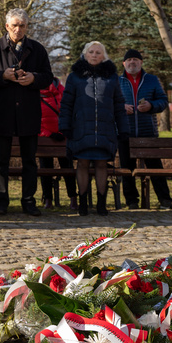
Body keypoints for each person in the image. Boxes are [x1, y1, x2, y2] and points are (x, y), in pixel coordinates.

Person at [0, 8, 53, 216]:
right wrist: (3, 76)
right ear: (6, 26)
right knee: (1, 160)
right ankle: (1, 202)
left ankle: (28, 201)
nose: (18, 29)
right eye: (14, 25)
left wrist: (33, 79)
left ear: (27, 27)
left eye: (22, 26)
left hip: (29, 112)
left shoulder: (37, 49)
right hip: (3, 112)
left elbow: (48, 77)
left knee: (29, 160)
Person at [59, 41, 128, 216]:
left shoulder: (111, 77)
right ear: (85, 54)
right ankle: (82, 203)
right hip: (81, 129)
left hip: (105, 129)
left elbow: (119, 104)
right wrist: (65, 126)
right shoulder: (75, 76)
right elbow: (66, 103)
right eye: (91, 52)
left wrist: (123, 128)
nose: (95, 55)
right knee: (81, 163)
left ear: (103, 56)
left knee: (101, 164)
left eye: (98, 52)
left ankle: (101, 203)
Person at [117, 49, 172, 209]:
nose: (132, 62)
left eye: (135, 59)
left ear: (141, 63)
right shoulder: (117, 81)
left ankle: (165, 200)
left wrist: (151, 105)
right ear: (124, 63)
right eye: (129, 60)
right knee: (127, 169)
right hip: (124, 132)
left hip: (148, 133)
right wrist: (121, 107)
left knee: (155, 167)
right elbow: (109, 102)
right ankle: (132, 201)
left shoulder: (152, 80)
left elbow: (163, 101)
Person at [38, 77, 77, 210]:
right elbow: (33, 121)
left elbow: (71, 114)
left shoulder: (63, 92)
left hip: (63, 138)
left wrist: (65, 131)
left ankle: (73, 198)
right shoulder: (33, 93)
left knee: (68, 169)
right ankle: (48, 199)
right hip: (44, 139)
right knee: (45, 169)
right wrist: (47, 134)